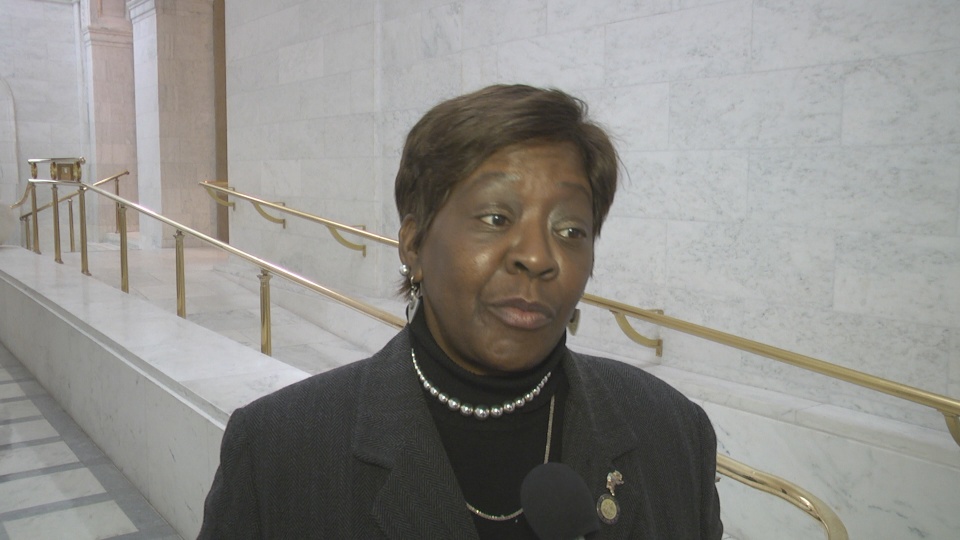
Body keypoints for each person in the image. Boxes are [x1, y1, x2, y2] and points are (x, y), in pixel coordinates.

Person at [198, 84, 723, 539]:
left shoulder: (672, 433)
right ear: (413, 244)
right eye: (496, 218)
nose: (538, 256)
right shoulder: (280, 453)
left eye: (570, 230)